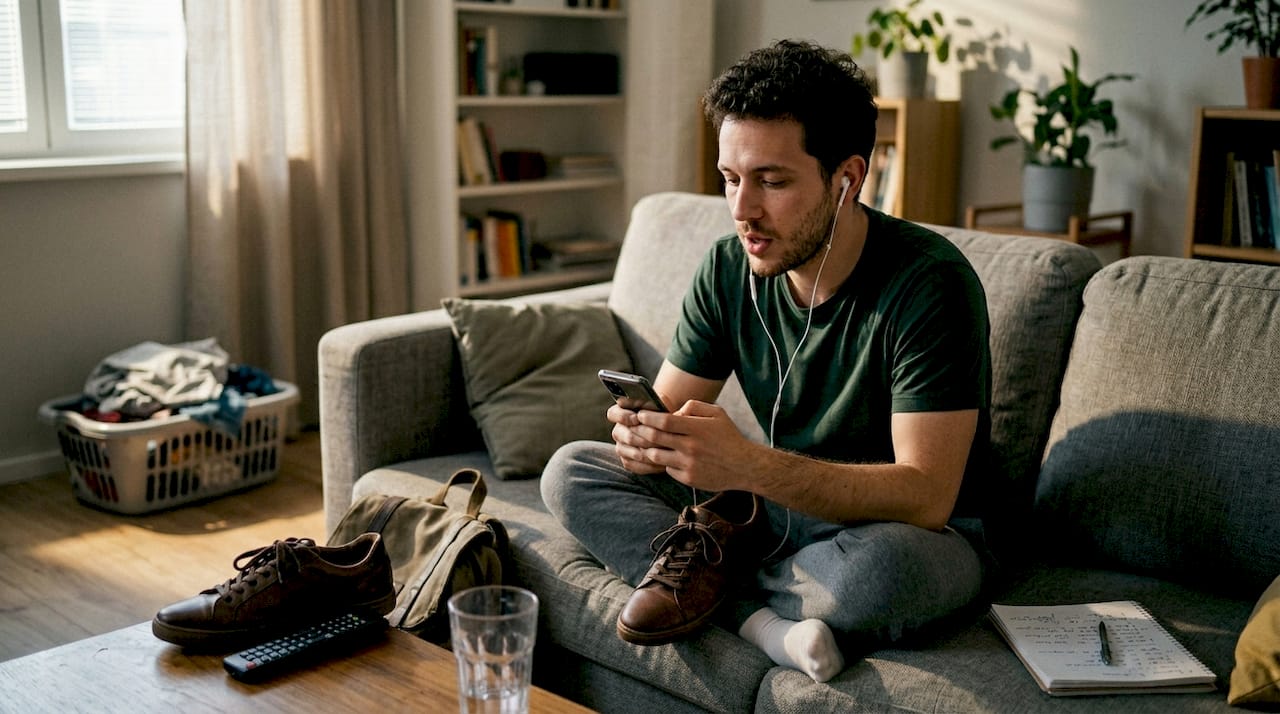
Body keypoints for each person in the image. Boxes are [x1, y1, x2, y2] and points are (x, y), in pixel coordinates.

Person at [541, 39, 992, 684]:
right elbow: (668, 412)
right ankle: (763, 621)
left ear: (848, 179)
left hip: (904, 533)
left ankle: (713, 585)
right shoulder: (728, 268)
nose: (743, 210)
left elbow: (927, 496)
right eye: (731, 179)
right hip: (768, 509)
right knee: (573, 471)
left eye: (772, 182)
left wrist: (748, 465)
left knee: (886, 573)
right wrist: (647, 440)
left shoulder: (930, 285)